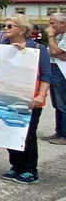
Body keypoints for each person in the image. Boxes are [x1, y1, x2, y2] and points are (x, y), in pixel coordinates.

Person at [0, 14, 50, 184]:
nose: (5, 29)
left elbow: (46, 75)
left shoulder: (37, 49)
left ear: (21, 30)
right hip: (9, 99)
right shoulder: (3, 47)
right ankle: (16, 165)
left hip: (30, 100)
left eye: (9, 26)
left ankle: (30, 170)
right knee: (10, 131)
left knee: (27, 135)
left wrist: (41, 95)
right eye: (4, 26)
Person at [41, 12, 66, 145]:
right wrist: (55, 49)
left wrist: (51, 37)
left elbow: (55, 51)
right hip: (55, 68)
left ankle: (64, 135)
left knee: (62, 104)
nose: (50, 27)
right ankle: (59, 131)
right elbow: (50, 51)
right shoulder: (60, 35)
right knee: (57, 103)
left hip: (61, 71)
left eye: (52, 23)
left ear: (62, 23)